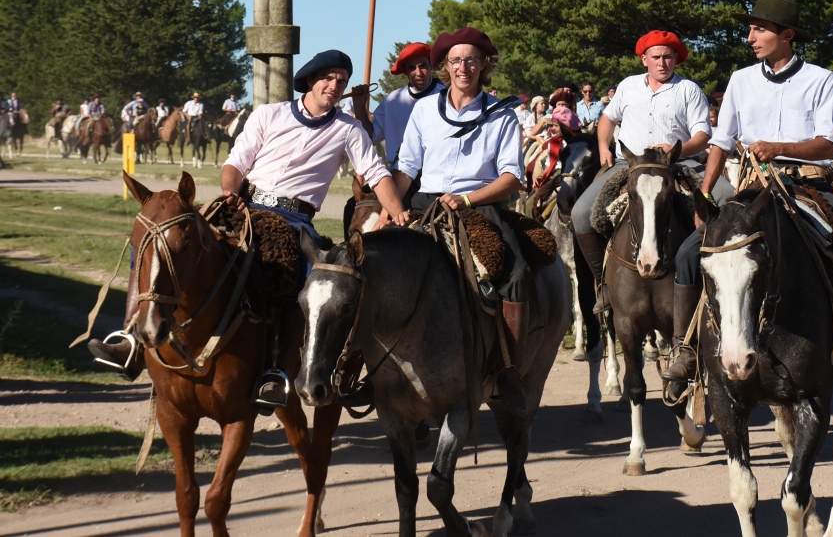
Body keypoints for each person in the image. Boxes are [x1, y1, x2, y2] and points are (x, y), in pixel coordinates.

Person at [89, 49, 410, 405]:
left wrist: (396, 212)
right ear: (310, 80)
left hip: (294, 221)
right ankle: (131, 338)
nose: (334, 86)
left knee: (304, 284)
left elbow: (377, 174)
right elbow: (236, 162)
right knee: (157, 240)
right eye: (327, 78)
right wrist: (230, 191)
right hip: (242, 204)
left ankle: (278, 371)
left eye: (341, 81)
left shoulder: (348, 128)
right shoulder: (269, 114)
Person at [670, 0, 833, 393]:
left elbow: (828, 145)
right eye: (750, 29)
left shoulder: (820, 79)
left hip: (808, 185)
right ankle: (684, 351)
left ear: (786, 34)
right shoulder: (741, 79)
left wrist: (778, 148)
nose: (751, 37)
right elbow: (721, 142)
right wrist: (703, 198)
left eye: (760, 29)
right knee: (689, 254)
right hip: (753, 189)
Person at [393, 27, 530, 416]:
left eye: (471, 59)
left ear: (484, 64)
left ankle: (508, 374)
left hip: (478, 205)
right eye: (455, 60)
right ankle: (364, 368)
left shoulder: (502, 113)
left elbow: (511, 177)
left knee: (516, 273)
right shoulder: (424, 110)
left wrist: (468, 198)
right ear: (444, 67)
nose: (463, 67)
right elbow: (406, 167)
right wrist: (390, 207)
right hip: (424, 202)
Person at [572, 29, 719, 315]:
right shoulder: (627, 86)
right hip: (629, 166)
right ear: (644, 60)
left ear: (676, 59)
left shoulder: (688, 89)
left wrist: (679, 149)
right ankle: (604, 284)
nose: (662, 63)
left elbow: (703, 135)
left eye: (668, 57)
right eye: (656, 57)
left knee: (725, 204)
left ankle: (714, 284)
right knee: (580, 215)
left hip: (678, 164)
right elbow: (607, 119)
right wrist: (603, 145)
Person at [352, 41, 447, 226]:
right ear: (405, 71)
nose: (419, 73)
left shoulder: (447, 95)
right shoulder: (393, 100)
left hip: (434, 179)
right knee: (353, 208)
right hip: (398, 178)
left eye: (423, 66)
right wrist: (359, 107)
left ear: (431, 67)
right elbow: (370, 136)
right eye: (412, 68)